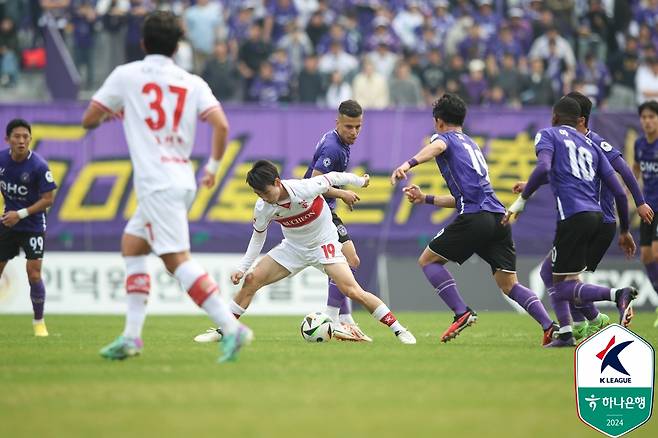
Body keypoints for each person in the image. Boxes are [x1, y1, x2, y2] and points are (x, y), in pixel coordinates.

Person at [81, 11, 249, 363]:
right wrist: (214, 166)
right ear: (177, 47)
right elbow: (220, 125)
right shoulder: (192, 81)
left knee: (176, 261)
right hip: (180, 178)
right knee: (132, 245)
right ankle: (130, 337)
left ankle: (232, 330)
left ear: (142, 43)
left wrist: (118, 112)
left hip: (157, 183)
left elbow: (89, 119)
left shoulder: (126, 76)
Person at [194, 100, 373, 343]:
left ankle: (344, 320)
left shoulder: (335, 139)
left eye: (358, 127)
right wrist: (344, 192)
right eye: (349, 126)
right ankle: (338, 320)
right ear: (338, 123)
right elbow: (321, 182)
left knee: (349, 260)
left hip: (318, 212)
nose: (354, 132)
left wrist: (352, 185)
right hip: (320, 211)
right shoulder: (333, 148)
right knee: (349, 259)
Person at [390, 93, 557, 345]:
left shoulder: (443, 138)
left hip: (476, 217)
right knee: (509, 283)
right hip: (498, 217)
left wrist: (407, 164)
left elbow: (437, 146)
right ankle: (549, 326)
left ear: (439, 122)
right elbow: (463, 197)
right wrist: (425, 199)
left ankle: (461, 312)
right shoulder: (471, 144)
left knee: (428, 261)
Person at [210, 160, 416, 344]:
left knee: (353, 291)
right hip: (292, 248)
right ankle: (224, 330)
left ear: (277, 182)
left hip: (323, 245)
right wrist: (243, 268)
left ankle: (399, 330)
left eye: (265, 192)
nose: (263, 198)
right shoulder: (263, 207)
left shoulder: (304, 188)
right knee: (252, 280)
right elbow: (258, 237)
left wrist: (360, 182)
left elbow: (333, 177)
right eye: (258, 194)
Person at [514, 92, 653, 341]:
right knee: (565, 276)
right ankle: (586, 322)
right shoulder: (580, 143)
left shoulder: (594, 143)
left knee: (557, 277)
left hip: (592, 219)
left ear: (580, 119)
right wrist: (530, 183)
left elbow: (624, 173)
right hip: (598, 220)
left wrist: (640, 203)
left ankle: (588, 319)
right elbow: (562, 173)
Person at [0, 119, 57, 337]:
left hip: (32, 224)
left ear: (30, 139)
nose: (22, 141)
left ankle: (39, 322)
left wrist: (20, 214)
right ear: (8, 139)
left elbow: (48, 199)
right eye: (17, 136)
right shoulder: (2, 159)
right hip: (8, 222)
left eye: (26, 137)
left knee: (33, 274)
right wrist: (10, 215)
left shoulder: (39, 166)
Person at [633, 100, 658, 327]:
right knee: (647, 257)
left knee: (657, 253)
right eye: (644, 117)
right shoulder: (639, 144)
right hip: (648, 208)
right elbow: (636, 170)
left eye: (652, 117)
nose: (648, 121)